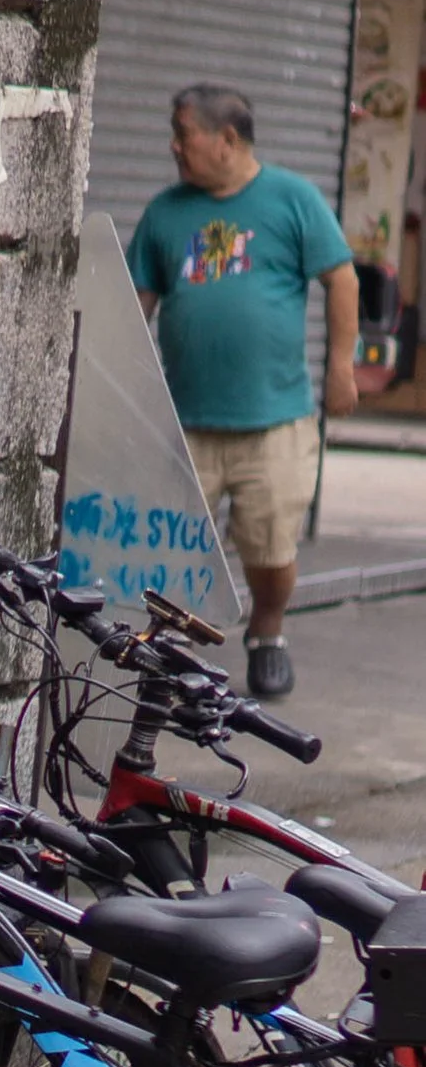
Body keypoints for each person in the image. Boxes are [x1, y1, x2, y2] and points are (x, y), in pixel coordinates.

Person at [130, 83, 359, 699]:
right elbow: (135, 303)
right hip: (186, 422)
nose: (173, 146)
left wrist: (341, 367)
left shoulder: (293, 198)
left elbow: (342, 279)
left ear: (226, 139)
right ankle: (172, 646)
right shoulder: (165, 213)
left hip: (274, 422)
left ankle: (267, 631)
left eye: (184, 133)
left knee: (270, 552)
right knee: (172, 546)